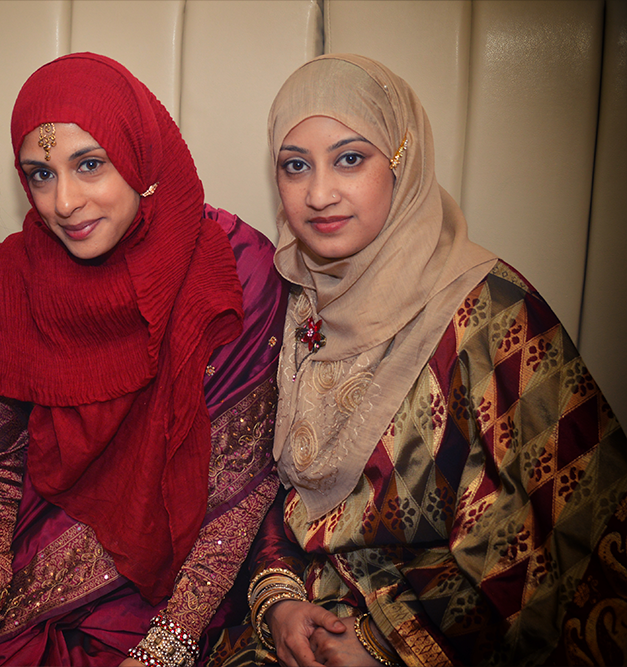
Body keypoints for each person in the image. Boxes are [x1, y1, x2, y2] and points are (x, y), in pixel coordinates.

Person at [206, 53, 627, 667]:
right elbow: (255, 485)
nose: (319, 194)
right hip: (297, 612)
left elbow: (568, 524)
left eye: (350, 158)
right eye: (295, 166)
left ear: (403, 161)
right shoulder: (287, 301)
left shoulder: (492, 312)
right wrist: (279, 602)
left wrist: (383, 645)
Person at [0, 53, 287, 667]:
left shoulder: (232, 269)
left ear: (139, 156)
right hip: (34, 574)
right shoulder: (13, 280)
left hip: (181, 592)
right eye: (40, 174)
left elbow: (239, 490)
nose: (64, 202)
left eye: (89, 164)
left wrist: (164, 650)